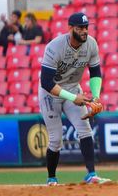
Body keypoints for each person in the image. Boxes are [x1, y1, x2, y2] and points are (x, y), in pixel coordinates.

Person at [39, 12, 109, 185]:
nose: (84, 31)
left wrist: (97, 97)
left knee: (85, 129)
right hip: (51, 93)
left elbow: (95, 72)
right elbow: (46, 82)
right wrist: (72, 97)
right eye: (80, 28)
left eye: (86, 27)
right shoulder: (54, 47)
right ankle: (51, 178)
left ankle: (91, 174)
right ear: (70, 28)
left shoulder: (91, 44)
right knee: (56, 139)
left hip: (72, 89)